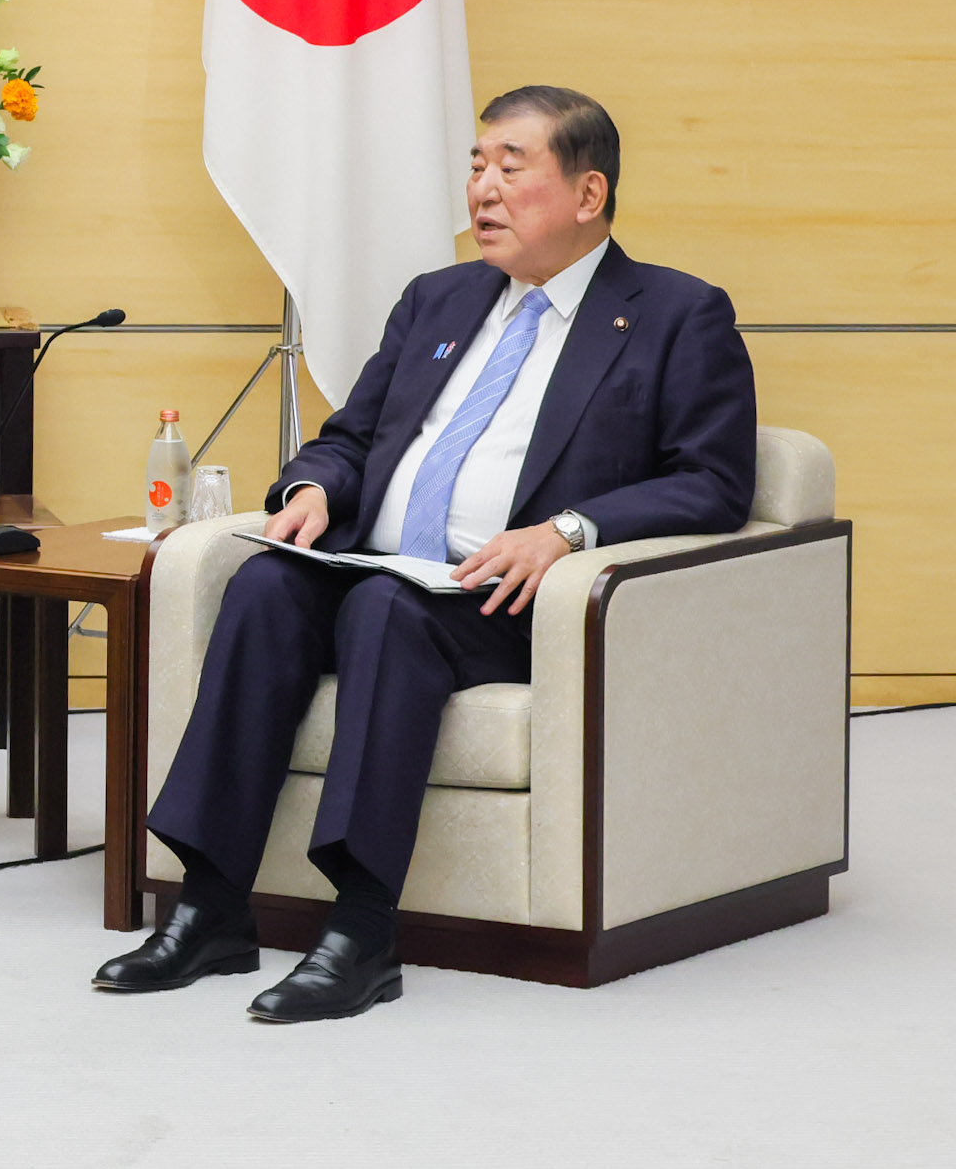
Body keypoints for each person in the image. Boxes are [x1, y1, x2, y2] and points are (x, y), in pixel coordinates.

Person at [102, 86, 755, 1021]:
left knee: (386, 612)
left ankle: (362, 929)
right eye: (477, 166)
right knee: (265, 586)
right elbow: (353, 436)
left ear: (589, 193)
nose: (483, 189)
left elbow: (714, 481)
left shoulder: (675, 314)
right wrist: (314, 489)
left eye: (511, 168)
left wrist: (569, 530)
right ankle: (210, 907)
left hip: (508, 600)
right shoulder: (438, 299)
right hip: (380, 567)